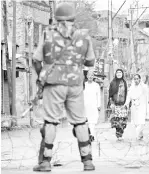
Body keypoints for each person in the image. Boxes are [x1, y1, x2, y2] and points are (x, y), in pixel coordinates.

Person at [32, 2, 96, 172]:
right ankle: (87, 161)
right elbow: (90, 61)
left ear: (56, 19)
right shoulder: (84, 36)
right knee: (80, 122)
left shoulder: (48, 34)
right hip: (75, 83)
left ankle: (45, 162)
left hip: (53, 83)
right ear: (74, 19)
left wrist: (41, 75)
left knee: (51, 122)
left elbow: (36, 59)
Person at [124, 74, 148, 140]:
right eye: (135, 79)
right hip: (134, 106)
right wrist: (126, 104)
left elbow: (147, 97)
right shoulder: (132, 87)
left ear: (140, 79)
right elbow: (128, 97)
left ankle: (136, 135)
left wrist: (147, 107)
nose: (136, 80)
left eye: (137, 79)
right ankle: (140, 135)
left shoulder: (144, 87)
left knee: (141, 121)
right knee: (135, 122)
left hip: (142, 106)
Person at [108, 69, 128, 141]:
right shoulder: (113, 82)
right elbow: (110, 94)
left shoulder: (125, 82)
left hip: (123, 104)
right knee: (116, 120)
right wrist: (111, 103)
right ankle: (118, 134)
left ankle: (121, 134)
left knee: (122, 120)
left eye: (120, 72)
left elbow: (127, 94)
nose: (119, 74)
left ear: (122, 74)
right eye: (117, 72)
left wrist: (127, 103)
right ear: (115, 74)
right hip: (115, 104)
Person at [84, 70, 101, 141]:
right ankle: (89, 135)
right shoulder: (84, 84)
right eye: (89, 75)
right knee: (86, 121)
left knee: (93, 121)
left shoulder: (96, 85)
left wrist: (99, 105)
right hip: (85, 106)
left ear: (93, 76)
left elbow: (98, 96)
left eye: (92, 75)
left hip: (93, 105)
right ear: (87, 76)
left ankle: (92, 135)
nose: (90, 76)